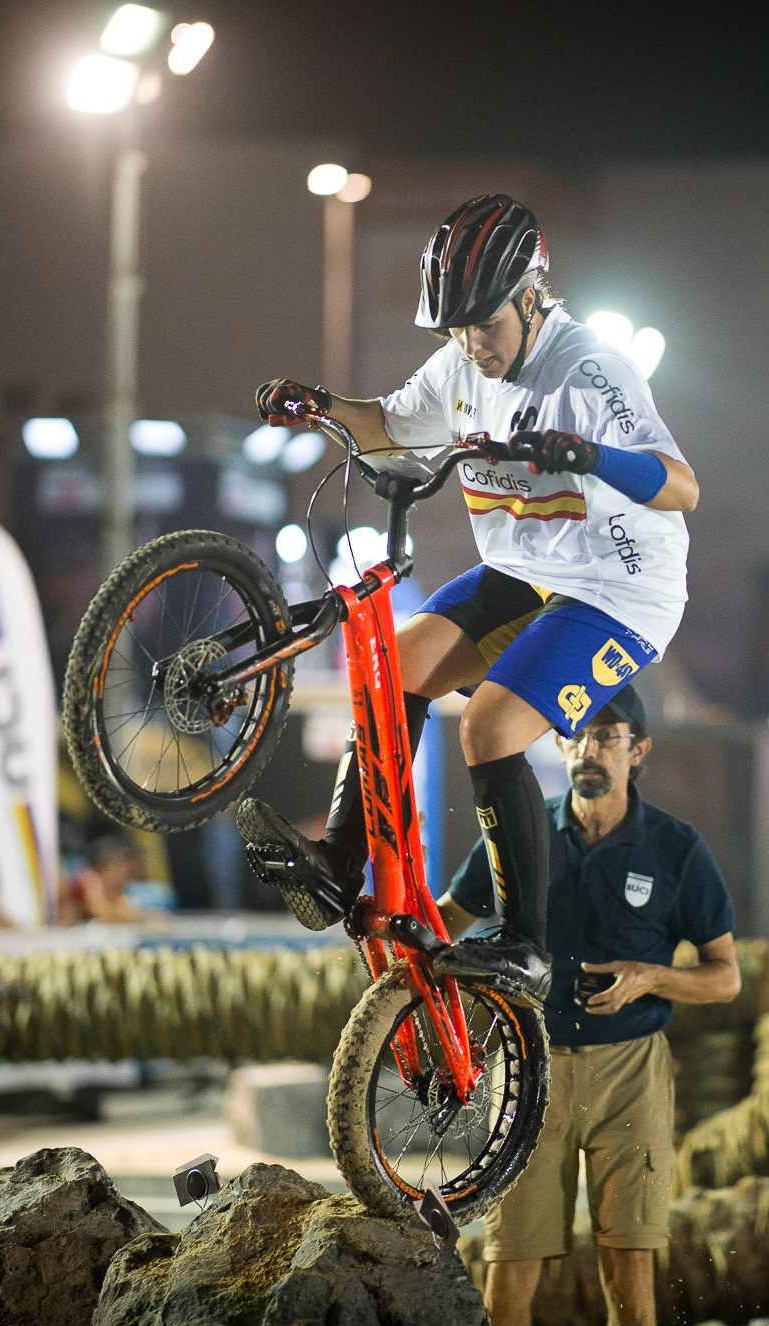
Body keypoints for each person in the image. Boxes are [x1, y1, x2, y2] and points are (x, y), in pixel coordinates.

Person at [238, 193, 698, 1003]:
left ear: (531, 297)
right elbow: (386, 425)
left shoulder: (590, 370)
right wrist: (316, 405)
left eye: (484, 324)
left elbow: (684, 488)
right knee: (393, 667)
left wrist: (590, 453)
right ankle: (342, 859)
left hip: (621, 589)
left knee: (489, 726)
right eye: (454, 328)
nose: (470, 344)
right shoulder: (459, 364)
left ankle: (525, 943)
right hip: (527, 570)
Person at [437, 684, 737, 1326]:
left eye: (607, 735)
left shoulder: (677, 849)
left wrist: (650, 976)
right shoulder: (523, 833)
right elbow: (447, 919)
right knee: (510, 1268)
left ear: (639, 749)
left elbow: (726, 978)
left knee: (628, 1273)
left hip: (631, 1071)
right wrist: (399, 937)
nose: (588, 748)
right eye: (576, 733)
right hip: (525, 1068)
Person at [58, 834, 149, 924]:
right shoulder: (88, 877)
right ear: (103, 866)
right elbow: (99, 912)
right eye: (116, 867)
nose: (120, 873)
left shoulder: (112, 885)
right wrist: (134, 917)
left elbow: (126, 908)